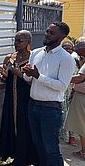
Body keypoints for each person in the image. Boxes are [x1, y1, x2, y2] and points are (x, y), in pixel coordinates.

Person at [22, 22, 75, 166]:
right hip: (33, 106)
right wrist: (27, 73)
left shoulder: (66, 58)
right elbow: (28, 79)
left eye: (52, 33)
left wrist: (39, 76)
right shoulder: (36, 53)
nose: (47, 34)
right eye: (47, 31)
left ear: (62, 36)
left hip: (50, 109)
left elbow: (62, 86)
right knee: (38, 145)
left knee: (50, 149)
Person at [0, 30, 38, 165]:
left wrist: (18, 73)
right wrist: (5, 76)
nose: (16, 44)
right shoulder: (10, 58)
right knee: (11, 124)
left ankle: (26, 157)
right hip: (10, 98)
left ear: (28, 43)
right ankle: (13, 154)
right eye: (15, 40)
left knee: (25, 127)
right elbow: (5, 79)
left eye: (20, 41)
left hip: (26, 98)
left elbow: (34, 80)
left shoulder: (33, 58)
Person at [65, 39, 85, 160]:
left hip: (82, 96)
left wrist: (63, 78)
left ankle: (84, 151)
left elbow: (79, 78)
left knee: (82, 125)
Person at [61, 40, 78, 146]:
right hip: (61, 91)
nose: (68, 50)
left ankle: (72, 136)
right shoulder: (60, 60)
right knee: (63, 113)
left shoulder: (75, 60)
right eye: (65, 48)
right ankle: (65, 135)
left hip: (72, 90)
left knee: (72, 115)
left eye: (70, 48)